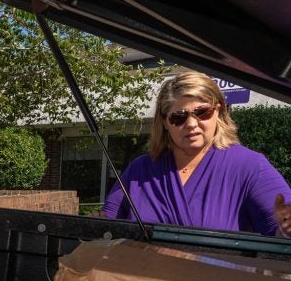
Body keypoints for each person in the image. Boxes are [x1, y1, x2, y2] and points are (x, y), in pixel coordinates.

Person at [103, 71, 291, 237]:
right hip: (142, 276)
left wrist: (285, 229)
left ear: (218, 112)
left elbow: (278, 238)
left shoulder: (250, 166)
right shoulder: (140, 170)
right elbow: (105, 227)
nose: (192, 124)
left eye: (202, 112)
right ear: (165, 122)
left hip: (218, 277)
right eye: (179, 117)